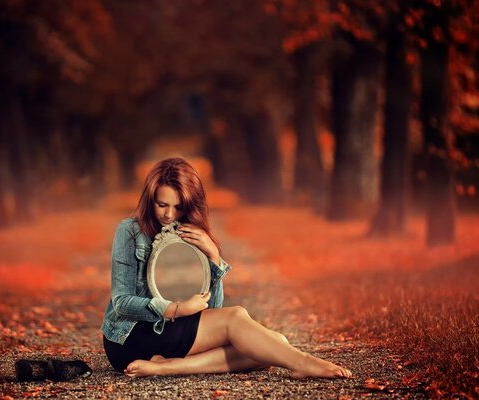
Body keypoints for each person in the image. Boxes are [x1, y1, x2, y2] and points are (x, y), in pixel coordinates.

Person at [101, 157, 352, 379]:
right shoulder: (130, 231)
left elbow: (212, 309)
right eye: (162, 204)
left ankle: (169, 367)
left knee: (276, 344)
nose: (169, 214)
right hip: (131, 337)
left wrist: (213, 255)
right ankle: (304, 362)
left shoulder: (192, 233)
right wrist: (175, 308)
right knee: (239, 321)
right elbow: (121, 302)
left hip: (172, 334)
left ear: (189, 204)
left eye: (178, 207)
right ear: (150, 200)